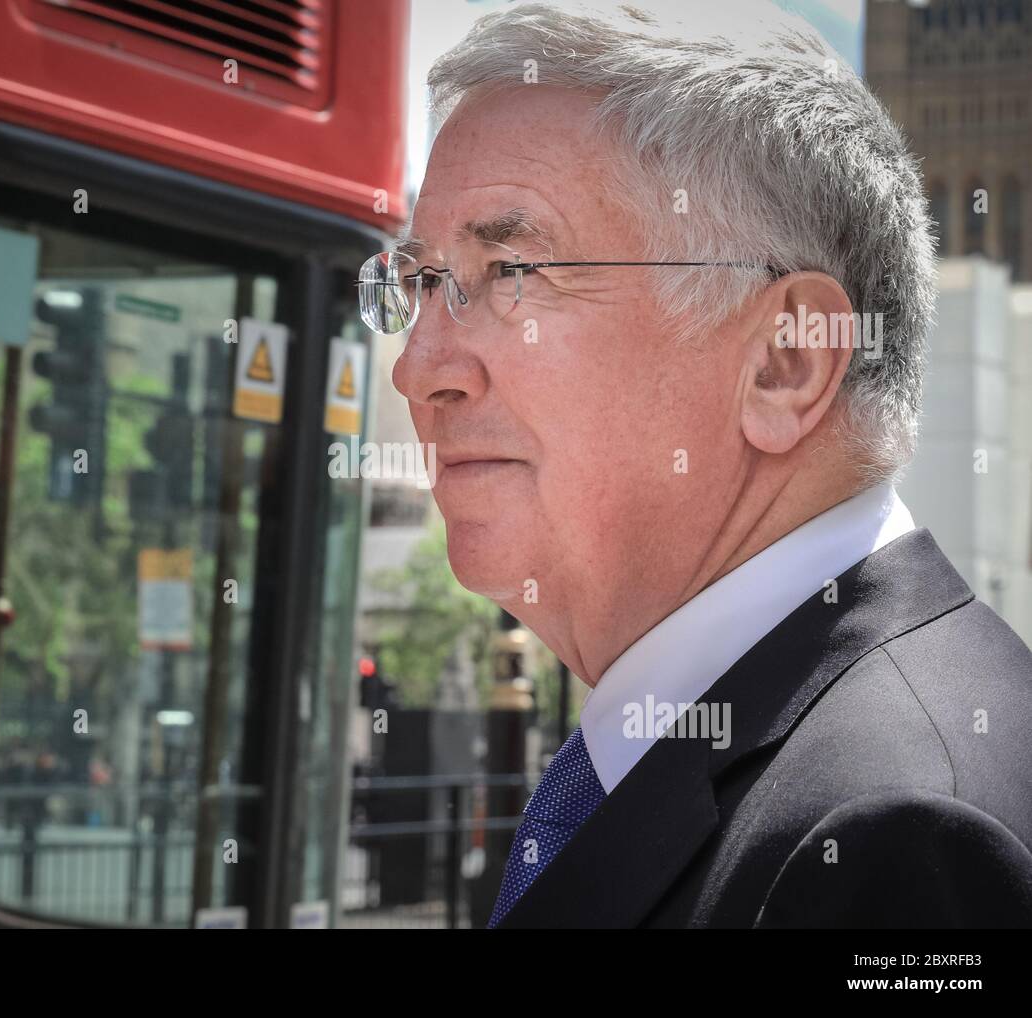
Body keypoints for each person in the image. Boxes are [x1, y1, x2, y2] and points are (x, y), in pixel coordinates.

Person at [362, 0, 1032, 927]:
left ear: (784, 361)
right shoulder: (714, 744)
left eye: (512, 273)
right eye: (420, 283)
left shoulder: (899, 839)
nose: (416, 367)